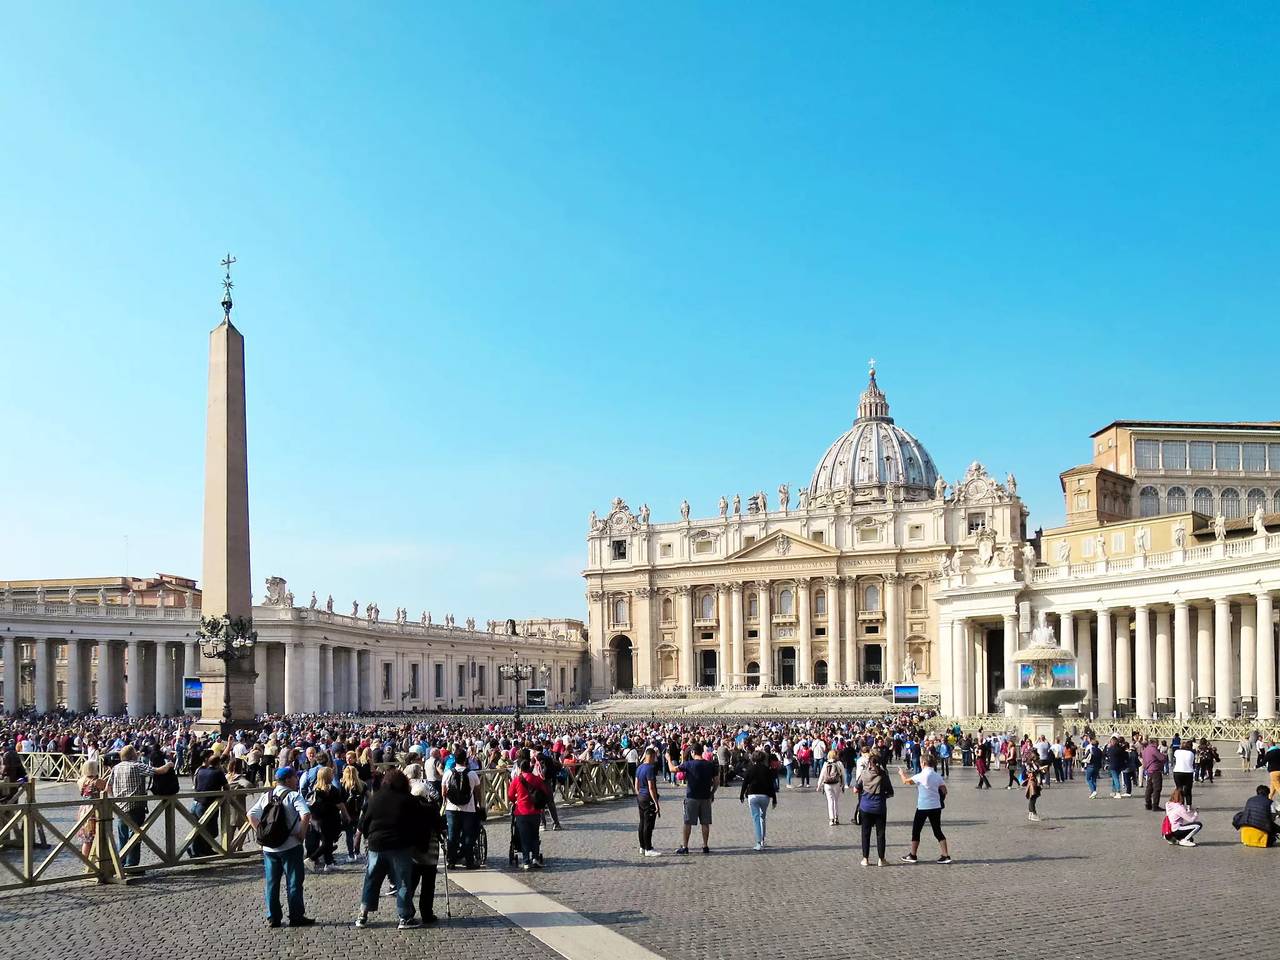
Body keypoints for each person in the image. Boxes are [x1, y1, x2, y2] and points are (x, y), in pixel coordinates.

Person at [247, 767, 315, 928]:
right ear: (288, 779)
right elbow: (305, 814)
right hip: (290, 845)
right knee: (294, 882)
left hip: (269, 848)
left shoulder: (267, 796)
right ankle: (296, 916)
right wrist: (302, 834)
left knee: (271, 883)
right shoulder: (293, 796)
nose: (297, 780)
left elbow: (250, 814)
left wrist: (261, 832)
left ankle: (273, 917)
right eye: (295, 778)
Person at [356, 768, 420, 928]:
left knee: (371, 879)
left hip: (376, 845)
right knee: (403, 881)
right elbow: (416, 825)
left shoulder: (374, 798)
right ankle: (405, 917)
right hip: (399, 845)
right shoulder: (408, 800)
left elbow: (364, 823)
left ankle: (362, 915)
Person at [106, 744, 158, 867]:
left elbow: (108, 786)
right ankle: (132, 865)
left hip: (120, 807)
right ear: (133, 755)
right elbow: (157, 771)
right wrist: (169, 765)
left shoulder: (116, 767)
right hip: (135, 806)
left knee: (123, 836)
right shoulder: (137, 765)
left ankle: (120, 862)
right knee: (134, 836)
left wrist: (114, 799)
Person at [897, 754, 952, 864]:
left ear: (923, 763)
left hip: (923, 807)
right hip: (936, 806)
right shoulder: (937, 776)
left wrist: (902, 774)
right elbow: (944, 790)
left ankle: (913, 855)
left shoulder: (921, 775)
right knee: (937, 831)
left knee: (916, 831)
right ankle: (945, 855)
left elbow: (906, 781)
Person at [670, 743, 718, 855]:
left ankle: (685, 846)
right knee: (705, 823)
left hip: (691, 796)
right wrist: (712, 793)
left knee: (687, 823)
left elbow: (672, 769)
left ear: (692, 752)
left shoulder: (688, 764)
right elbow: (716, 782)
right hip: (706, 797)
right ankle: (705, 846)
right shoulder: (710, 765)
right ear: (702, 751)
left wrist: (668, 758)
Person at [441, 747, 483, 868]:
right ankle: (469, 861)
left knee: (452, 835)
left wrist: (444, 803)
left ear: (454, 759)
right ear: (466, 759)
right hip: (468, 809)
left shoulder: (448, 773)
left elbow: (444, 792)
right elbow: (477, 792)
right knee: (468, 835)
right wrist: (479, 804)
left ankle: (451, 861)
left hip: (451, 808)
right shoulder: (472, 774)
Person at [508, 757, 551, 870]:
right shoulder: (537, 779)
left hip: (521, 811)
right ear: (530, 768)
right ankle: (535, 858)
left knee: (524, 837)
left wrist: (515, 801)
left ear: (520, 769)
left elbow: (510, 795)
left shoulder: (517, 780)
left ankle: (526, 861)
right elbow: (545, 792)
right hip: (535, 811)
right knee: (535, 835)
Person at [854, 751, 893, 866]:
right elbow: (890, 792)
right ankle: (881, 859)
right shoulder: (883, 775)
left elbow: (856, 788)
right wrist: (882, 795)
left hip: (865, 807)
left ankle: (865, 858)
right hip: (879, 807)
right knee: (880, 834)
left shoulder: (864, 774)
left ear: (869, 763)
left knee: (865, 833)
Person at [307, 765, 348, 872]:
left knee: (327, 841)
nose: (333, 775)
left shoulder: (315, 789)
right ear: (327, 776)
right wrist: (346, 816)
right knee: (327, 843)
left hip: (316, 820)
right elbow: (340, 805)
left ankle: (329, 863)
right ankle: (311, 859)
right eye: (331, 774)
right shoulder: (332, 790)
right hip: (329, 820)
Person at [739, 750, 777, 851]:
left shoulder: (750, 769)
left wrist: (741, 795)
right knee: (762, 817)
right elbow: (771, 785)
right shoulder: (767, 770)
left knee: (755, 818)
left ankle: (758, 842)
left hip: (753, 795)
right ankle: (763, 839)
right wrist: (774, 799)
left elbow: (745, 783)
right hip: (765, 796)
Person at [75, 759, 107, 864]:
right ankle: (97, 862)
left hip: (84, 809)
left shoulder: (80, 781)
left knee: (87, 839)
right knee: (97, 836)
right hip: (94, 809)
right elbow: (107, 790)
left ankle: (86, 862)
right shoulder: (97, 781)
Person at [635, 746, 662, 857]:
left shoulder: (640, 767)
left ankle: (642, 846)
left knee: (642, 822)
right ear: (651, 756)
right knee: (648, 824)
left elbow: (636, 784)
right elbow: (651, 787)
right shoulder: (650, 768)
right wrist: (656, 802)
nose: (655, 760)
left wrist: (639, 794)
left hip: (641, 796)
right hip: (648, 797)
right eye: (654, 757)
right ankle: (648, 848)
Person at [341, 761, 369, 862]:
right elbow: (369, 797)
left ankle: (350, 854)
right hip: (359, 812)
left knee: (348, 834)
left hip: (346, 812)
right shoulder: (362, 784)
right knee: (358, 833)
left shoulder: (343, 785)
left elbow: (340, 801)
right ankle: (357, 851)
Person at [817, 748, 845, 825]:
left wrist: (819, 785)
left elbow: (822, 775)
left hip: (827, 784)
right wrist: (843, 784)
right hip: (837, 783)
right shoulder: (839, 763)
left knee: (830, 801)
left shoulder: (826, 763)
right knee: (836, 801)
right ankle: (836, 818)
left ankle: (831, 819)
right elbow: (843, 775)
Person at [1141, 738, 1167, 811]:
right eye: (1157, 743)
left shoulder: (1145, 750)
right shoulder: (1153, 749)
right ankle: (1155, 805)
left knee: (1149, 788)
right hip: (1155, 770)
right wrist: (1164, 757)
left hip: (1149, 770)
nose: (1158, 745)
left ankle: (1148, 803)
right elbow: (1161, 758)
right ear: (1154, 743)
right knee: (1157, 788)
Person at [1171, 739, 1197, 808]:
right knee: (1188, 790)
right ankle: (1189, 806)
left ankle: (1181, 804)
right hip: (1188, 772)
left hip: (1177, 772)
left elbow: (1174, 757)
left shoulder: (1177, 752)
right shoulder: (1191, 753)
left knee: (1179, 789)